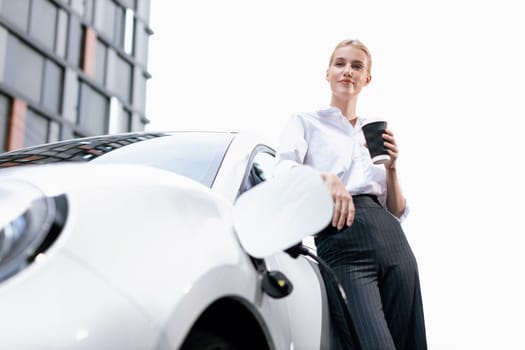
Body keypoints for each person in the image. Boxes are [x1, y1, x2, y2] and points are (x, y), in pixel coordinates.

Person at [274, 39, 427, 350]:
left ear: (366, 79)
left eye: (357, 66)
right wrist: (324, 178)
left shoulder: (372, 132)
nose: (348, 71)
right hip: (342, 242)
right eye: (340, 64)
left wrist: (394, 168)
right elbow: (280, 172)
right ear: (328, 73)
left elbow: (396, 210)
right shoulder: (305, 122)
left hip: (393, 242)